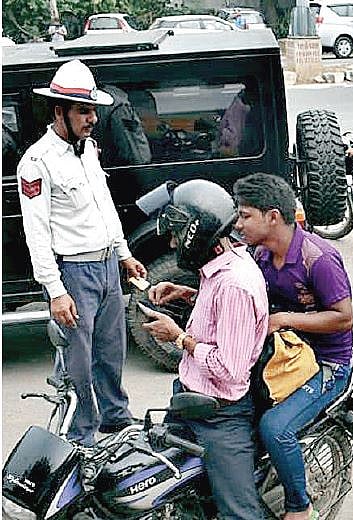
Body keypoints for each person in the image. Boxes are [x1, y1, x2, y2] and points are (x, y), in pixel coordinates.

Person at [17, 59, 146, 446]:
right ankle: (82, 434)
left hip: (106, 265)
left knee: (112, 350)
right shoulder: (37, 163)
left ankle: (116, 419)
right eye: (83, 111)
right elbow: (36, 232)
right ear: (60, 111)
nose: (92, 118)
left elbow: (104, 205)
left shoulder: (88, 149)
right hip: (73, 273)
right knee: (77, 362)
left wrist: (123, 253)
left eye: (93, 110)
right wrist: (56, 292)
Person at [139, 179, 269, 519]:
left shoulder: (235, 284)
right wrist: (186, 293)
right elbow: (221, 313)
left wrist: (179, 337)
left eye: (176, 234)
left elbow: (229, 370)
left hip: (220, 415)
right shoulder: (221, 265)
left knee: (239, 514)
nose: (172, 242)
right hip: (188, 399)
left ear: (198, 233)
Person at [233, 173, 353, 520]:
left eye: (245, 215)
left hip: (327, 363)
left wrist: (284, 319)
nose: (239, 224)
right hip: (282, 355)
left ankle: (300, 507)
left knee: (275, 427)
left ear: (273, 217)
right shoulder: (260, 255)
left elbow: (344, 318)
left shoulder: (319, 258)